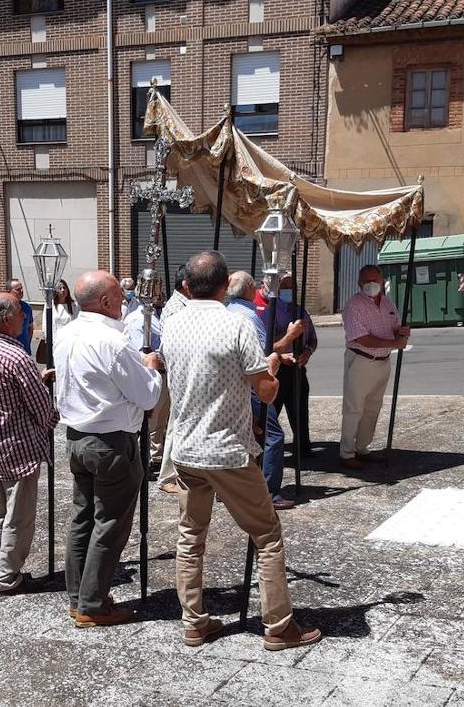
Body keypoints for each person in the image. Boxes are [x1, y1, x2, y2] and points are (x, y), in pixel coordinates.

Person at [161, 251, 321, 652]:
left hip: (185, 448)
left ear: (188, 286)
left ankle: (194, 621)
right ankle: (279, 626)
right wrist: (270, 366)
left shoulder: (172, 324)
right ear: (222, 287)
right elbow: (265, 391)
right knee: (267, 534)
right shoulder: (236, 325)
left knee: (190, 536)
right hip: (227, 450)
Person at [54, 270, 162, 628]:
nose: (123, 303)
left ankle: (79, 596)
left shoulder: (65, 333)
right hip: (110, 441)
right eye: (118, 297)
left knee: (82, 519)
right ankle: (93, 604)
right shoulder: (112, 342)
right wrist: (152, 368)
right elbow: (147, 396)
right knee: (110, 525)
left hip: (77, 437)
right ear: (104, 301)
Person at [0, 293, 58, 595]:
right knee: (18, 517)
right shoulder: (17, 356)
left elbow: (1, 390)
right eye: (21, 313)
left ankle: (1, 566)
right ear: (7, 319)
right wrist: (53, 416)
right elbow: (43, 409)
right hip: (18, 446)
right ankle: (7, 577)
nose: (26, 318)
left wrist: (37, 378)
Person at [226, 272, 304, 509]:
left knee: (243, 434)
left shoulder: (228, 312)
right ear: (250, 288)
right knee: (272, 436)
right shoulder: (248, 316)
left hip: (233, 385)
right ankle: (269, 492)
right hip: (251, 385)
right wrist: (288, 338)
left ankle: (231, 487)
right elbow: (262, 353)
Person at [339, 265, 409, 470]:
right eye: (367, 281)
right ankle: (346, 452)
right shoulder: (354, 305)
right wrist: (394, 343)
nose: (371, 285)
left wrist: (402, 333)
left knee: (372, 408)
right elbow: (361, 338)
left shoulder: (388, 303)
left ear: (382, 281)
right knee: (354, 408)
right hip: (361, 360)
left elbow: (395, 328)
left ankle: (362, 448)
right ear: (360, 284)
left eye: (375, 280)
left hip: (382, 362)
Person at [123, 286, 176, 495]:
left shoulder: (156, 315)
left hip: (163, 374)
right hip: (151, 374)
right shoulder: (138, 319)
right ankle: (148, 460)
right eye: (154, 291)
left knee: (160, 421)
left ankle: (154, 457)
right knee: (151, 422)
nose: (159, 295)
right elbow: (142, 352)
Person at [264, 273, 317, 461]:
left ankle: (303, 450)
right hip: (278, 370)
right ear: (278, 290)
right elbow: (267, 346)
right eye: (286, 287)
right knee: (270, 415)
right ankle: (265, 451)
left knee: (300, 412)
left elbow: (313, 339)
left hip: (297, 369)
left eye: (293, 287)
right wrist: (287, 340)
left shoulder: (301, 311)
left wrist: (308, 351)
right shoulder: (270, 312)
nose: (290, 290)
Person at [8, 279, 35, 354]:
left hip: (24, 350)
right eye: (18, 289)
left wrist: (27, 343)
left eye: (22, 288)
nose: (22, 291)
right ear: (9, 291)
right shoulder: (4, 307)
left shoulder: (27, 307)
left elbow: (30, 328)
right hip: (9, 351)